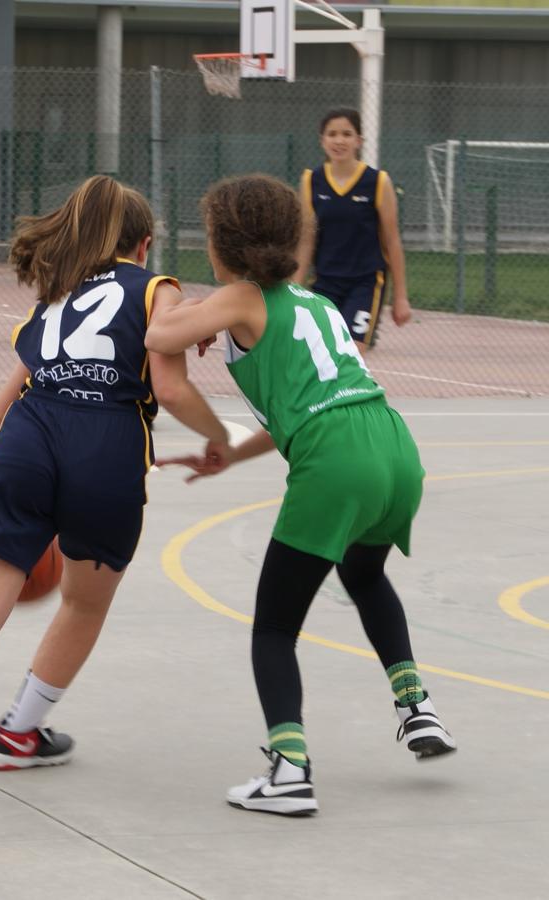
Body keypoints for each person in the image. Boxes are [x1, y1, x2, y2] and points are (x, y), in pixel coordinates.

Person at [0, 175, 230, 796]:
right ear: (143, 246)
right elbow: (168, 388)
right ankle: (19, 734)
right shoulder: (155, 289)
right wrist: (217, 437)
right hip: (105, 444)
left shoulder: (55, 302)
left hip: (26, 440)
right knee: (84, 603)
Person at [146, 174, 455, 818]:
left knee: (275, 627)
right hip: (393, 449)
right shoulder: (312, 303)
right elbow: (311, 407)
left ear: (220, 244)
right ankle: (416, 706)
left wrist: (166, 302)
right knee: (365, 574)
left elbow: (157, 339)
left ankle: (288, 773)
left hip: (336, 461)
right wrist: (228, 452)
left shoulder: (239, 296)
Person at [294, 108, 412, 351]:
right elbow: (307, 240)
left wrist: (401, 298)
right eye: (332, 134)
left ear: (359, 141)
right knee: (321, 351)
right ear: (322, 140)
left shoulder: (378, 182)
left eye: (347, 134)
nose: (339, 140)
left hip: (365, 282)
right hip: (325, 282)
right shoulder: (310, 181)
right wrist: (293, 287)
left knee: (352, 351)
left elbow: (392, 242)